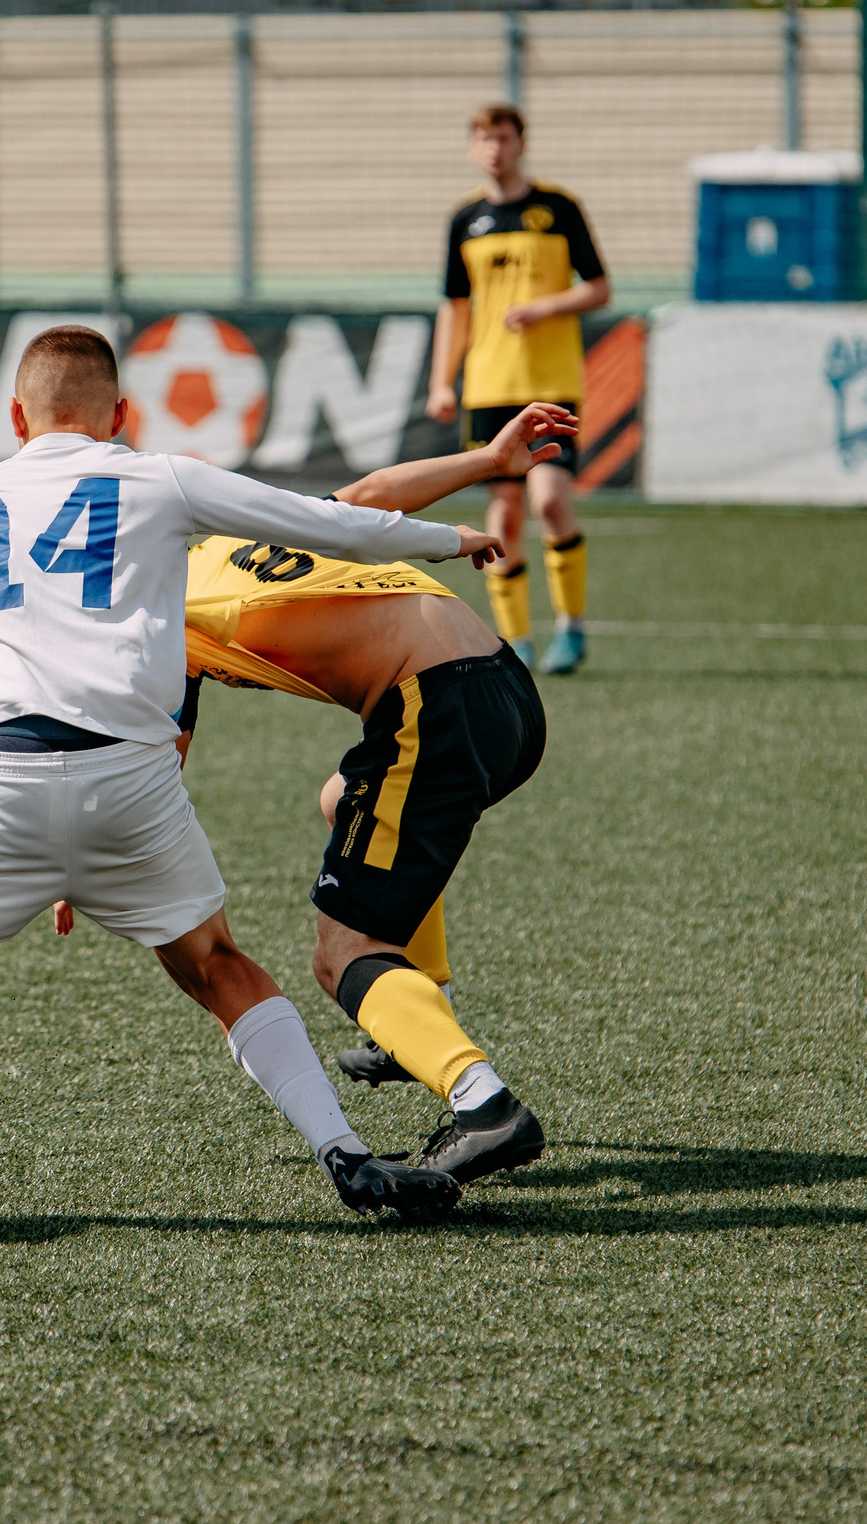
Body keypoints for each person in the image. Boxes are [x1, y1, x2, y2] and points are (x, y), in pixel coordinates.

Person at [0, 325, 504, 1236]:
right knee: (220, 967)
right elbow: (325, 521)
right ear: (121, 415)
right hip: (130, 778)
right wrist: (449, 537)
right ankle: (345, 1152)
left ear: (14, 416)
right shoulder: (157, 473)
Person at [148, 402, 573, 1187]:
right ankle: (415, 1006)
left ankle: (486, 1104)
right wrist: (490, 459)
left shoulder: (162, 612)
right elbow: (380, 491)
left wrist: (92, 859)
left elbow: (159, 760)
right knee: (343, 797)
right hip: (509, 693)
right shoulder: (244, 537)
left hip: (434, 707)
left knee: (342, 951)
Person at [424, 104, 611, 677]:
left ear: (520, 143)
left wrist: (544, 307)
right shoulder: (465, 220)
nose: (494, 149)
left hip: (550, 382)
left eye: (502, 138)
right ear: (473, 147)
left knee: (550, 500)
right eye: (483, 138)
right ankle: (517, 641)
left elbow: (600, 288)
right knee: (502, 523)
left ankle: (572, 627)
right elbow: (455, 310)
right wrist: (442, 380)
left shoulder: (558, 209)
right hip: (488, 387)